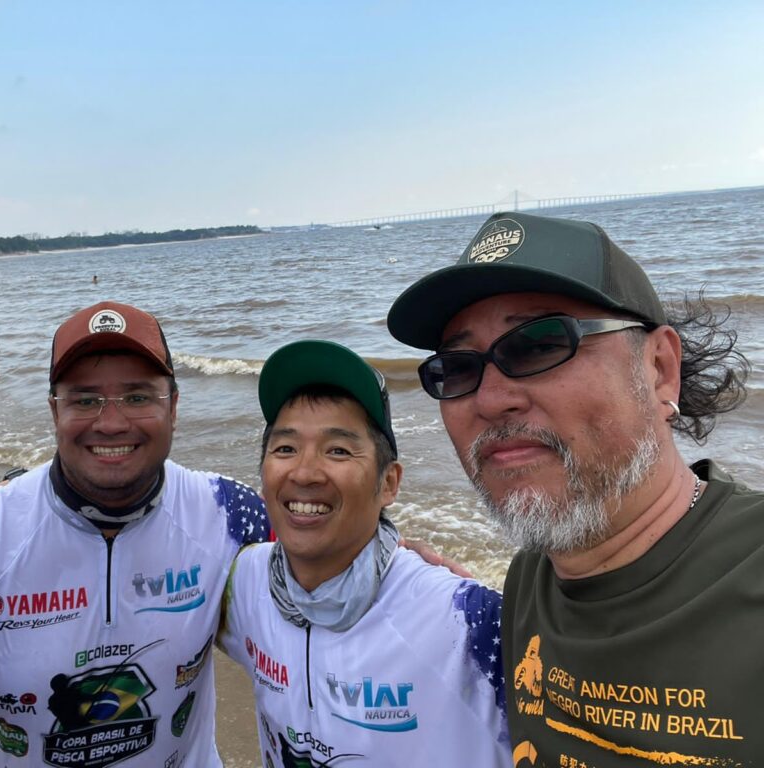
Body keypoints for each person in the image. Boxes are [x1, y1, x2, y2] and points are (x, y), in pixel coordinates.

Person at [387, 211, 759, 766]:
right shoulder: (529, 583)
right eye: (456, 369)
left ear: (659, 369)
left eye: (538, 344)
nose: (490, 400)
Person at [0, 301, 271, 767]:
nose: (112, 422)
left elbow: (322, 600)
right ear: (54, 410)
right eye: (85, 399)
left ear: (174, 407)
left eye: (138, 397)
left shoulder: (230, 515)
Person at [218, 339, 510, 766]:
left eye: (338, 450)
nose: (304, 472)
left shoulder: (464, 621)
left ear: (389, 483)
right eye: (285, 448)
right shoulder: (243, 581)